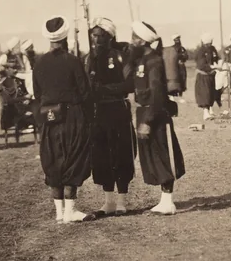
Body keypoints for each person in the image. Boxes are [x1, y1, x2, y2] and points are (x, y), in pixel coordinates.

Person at [32, 16, 92, 221]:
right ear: (65, 36)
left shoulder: (39, 63)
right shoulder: (73, 61)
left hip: (49, 118)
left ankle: (59, 213)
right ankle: (70, 211)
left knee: (53, 159)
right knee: (73, 158)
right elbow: (85, 93)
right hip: (72, 117)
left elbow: (37, 95)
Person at [130, 21, 185, 214]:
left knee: (162, 155)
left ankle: (168, 201)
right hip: (143, 111)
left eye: (134, 38)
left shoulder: (153, 61)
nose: (131, 42)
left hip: (154, 114)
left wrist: (148, 120)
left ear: (142, 40)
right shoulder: (140, 61)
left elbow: (157, 93)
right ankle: (164, 200)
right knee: (152, 156)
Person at [86, 17, 136, 215]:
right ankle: (108, 201)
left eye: (101, 35)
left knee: (121, 153)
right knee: (101, 156)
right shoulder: (88, 58)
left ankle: (122, 200)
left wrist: (105, 89)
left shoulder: (121, 56)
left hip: (118, 110)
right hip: (99, 114)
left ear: (110, 36)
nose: (96, 39)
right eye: (94, 35)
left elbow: (129, 84)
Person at [0, 54, 35, 142]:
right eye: (12, 68)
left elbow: (25, 93)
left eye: (16, 68)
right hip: (11, 112)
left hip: (22, 108)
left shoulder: (19, 80)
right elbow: (8, 101)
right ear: (6, 69)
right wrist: (24, 98)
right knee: (29, 113)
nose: (15, 70)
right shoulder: (2, 83)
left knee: (36, 107)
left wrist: (27, 100)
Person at [193, 33, 220, 120]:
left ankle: (210, 111)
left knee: (211, 93)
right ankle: (205, 112)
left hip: (211, 75)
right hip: (203, 76)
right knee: (205, 94)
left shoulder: (212, 49)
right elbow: (201, 65)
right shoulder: (201, 51)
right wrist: (211, 67)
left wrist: (218, 64)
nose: (210, 45)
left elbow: (216, 58)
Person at [163, 33, 187, 101]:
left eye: (178, 39)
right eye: (176, 39)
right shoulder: (172, 48)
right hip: (174, 67)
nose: (178, 41)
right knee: (174, 80)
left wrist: (182, 58)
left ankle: (180, 96)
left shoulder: (182, 48)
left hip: (181, 66)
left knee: (182, 80)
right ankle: (171, 95)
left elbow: (185, 56)